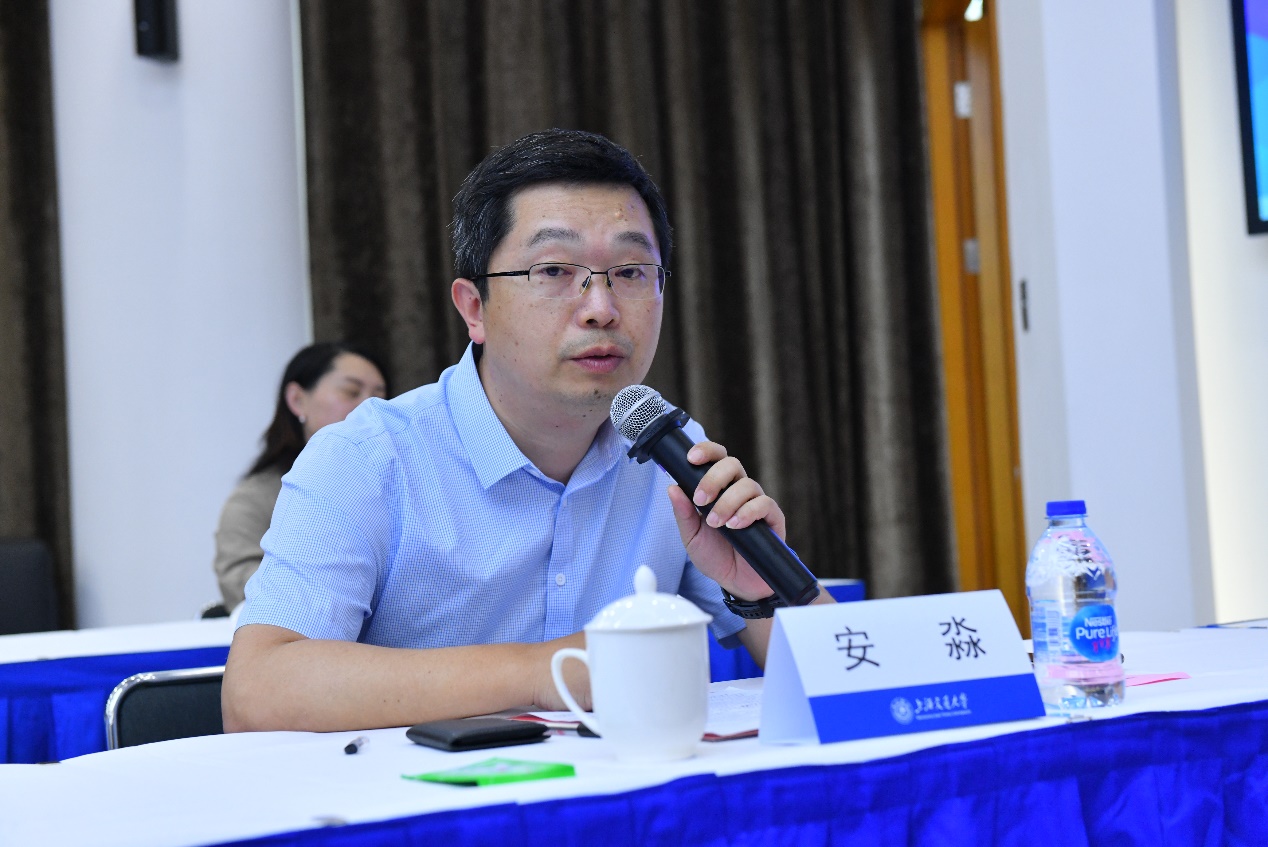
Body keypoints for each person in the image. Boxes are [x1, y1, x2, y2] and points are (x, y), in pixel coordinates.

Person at [223, 129, 834, 733]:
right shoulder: (368, 456)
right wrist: (550, 671)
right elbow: (258, 692)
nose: (601, 308)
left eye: (629, 271)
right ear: (474, 308)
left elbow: (847, 678)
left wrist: (762, 589)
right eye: (554, 269)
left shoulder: (666, 450)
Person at [212, 342, 388, 610]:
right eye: (351, 392)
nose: (369, 407)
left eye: (379, 396)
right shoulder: (255, 499)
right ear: (297, 400)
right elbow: (241, 582)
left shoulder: (396, 483)